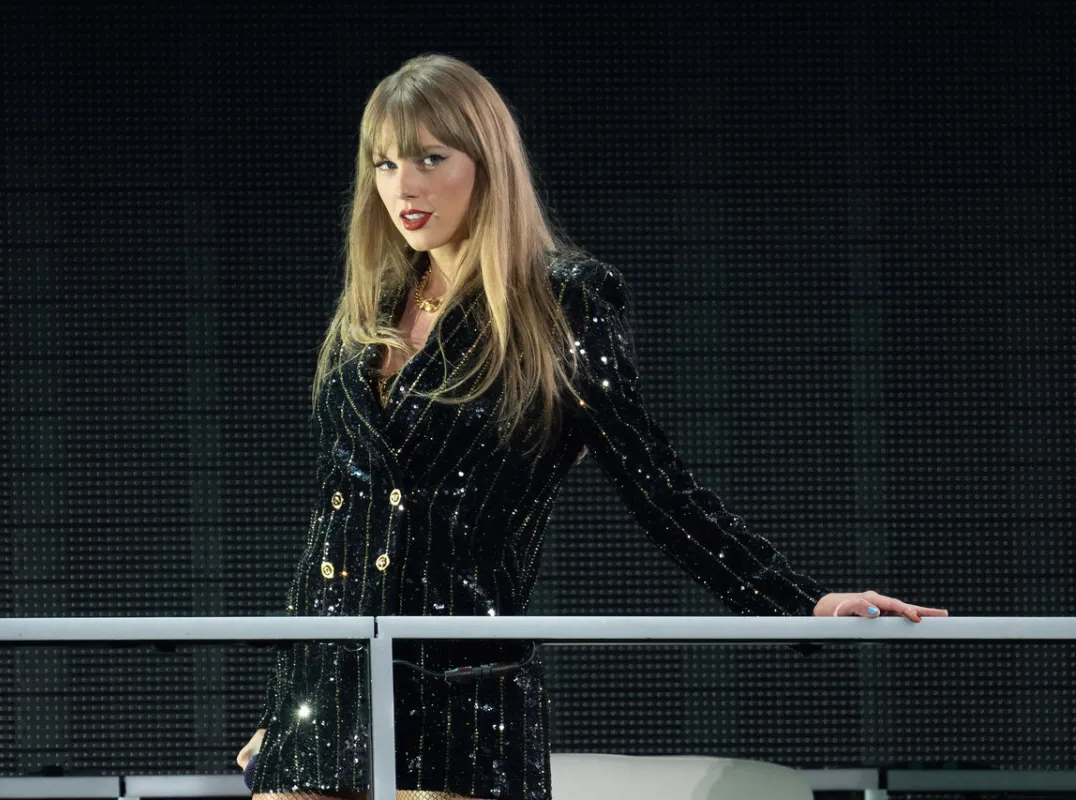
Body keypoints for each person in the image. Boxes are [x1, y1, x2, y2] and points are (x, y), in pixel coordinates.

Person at [237, 52, 947, 800]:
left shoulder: (561, 301)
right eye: (383, 164)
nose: (402, 187)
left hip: (457, 691)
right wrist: (280, 706)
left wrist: (801, 600)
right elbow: (336, 527)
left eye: (428, 157)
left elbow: (658, 486)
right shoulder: (372, 309)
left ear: (486, 162)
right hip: (324, 692)